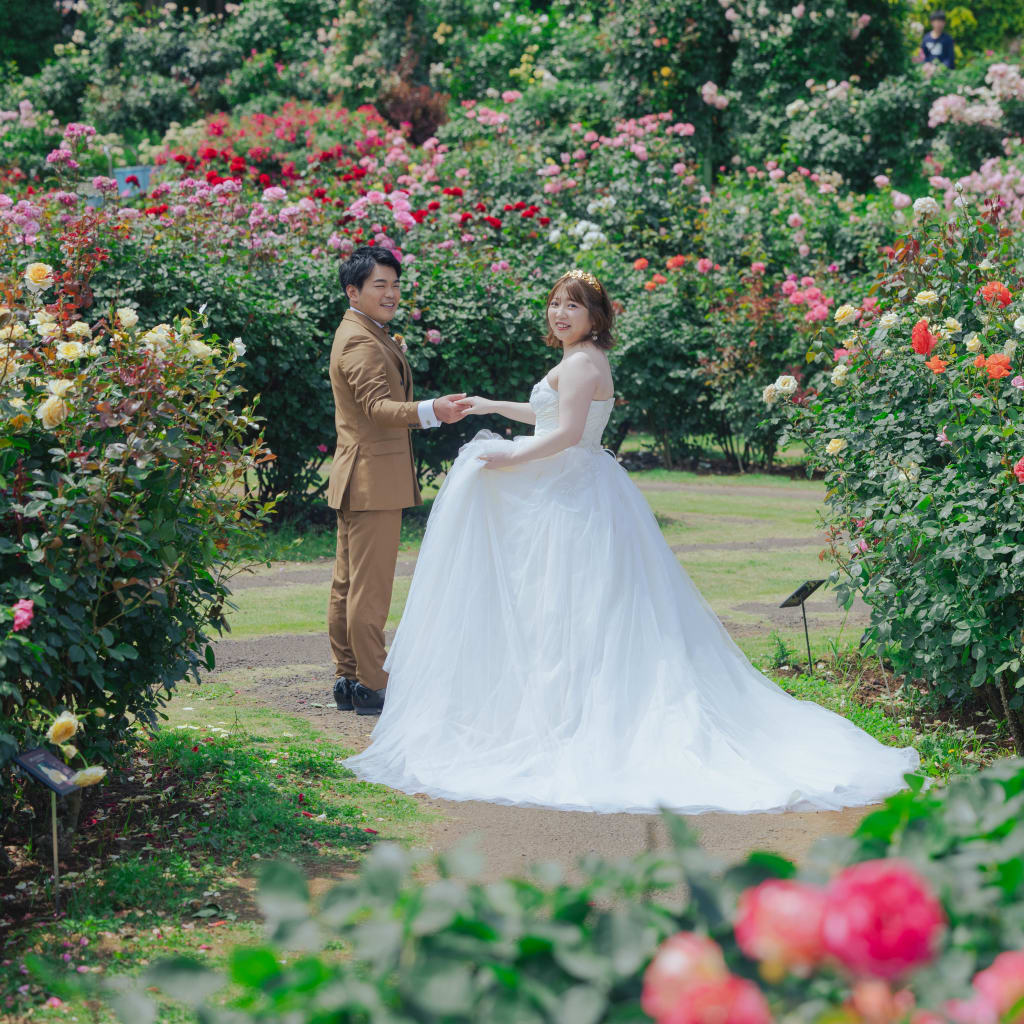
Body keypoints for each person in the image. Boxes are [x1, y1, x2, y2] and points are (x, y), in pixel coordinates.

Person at [344, 269, 920, 814]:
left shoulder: (581, 362)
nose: (560, 313)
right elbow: (550, 416)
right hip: (581, 483)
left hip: (571, 492)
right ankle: (560, 706)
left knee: (577, 606)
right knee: (574, 607)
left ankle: (575, 716)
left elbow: (566, 434)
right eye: (555, 304)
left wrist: (507, 456)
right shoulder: (580, 359)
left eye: (573, 306)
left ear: (595, 316)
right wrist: (494, 407)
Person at [327, 246, 469, 716]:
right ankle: (371, 682)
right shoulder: (361, 341)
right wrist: (432, 410)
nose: (390, 294)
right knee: (368, 589)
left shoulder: (362, 331)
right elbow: (377, 408)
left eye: (394, 285)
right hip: (371, 479)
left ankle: (349, 678)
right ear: (353, 291)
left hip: (360, 476)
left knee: (349, 584)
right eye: (379, 285)